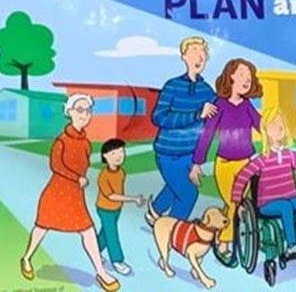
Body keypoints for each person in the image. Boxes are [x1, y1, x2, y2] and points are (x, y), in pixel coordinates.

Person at [20, 94, 121, 292]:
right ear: (70, 113)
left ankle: (101, 272)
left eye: (88, 110)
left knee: (88, 230)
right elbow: (56, 165)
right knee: (42, 227)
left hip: (75, 195)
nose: (85, 114)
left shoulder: (86, 142)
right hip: (57, 192)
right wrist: (77, 178)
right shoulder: (62, 141)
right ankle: (26, 258)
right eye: (80, 110)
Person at [230, 107, 296, 255]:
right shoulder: (262, 160)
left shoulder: (290, 156)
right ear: (266, 131)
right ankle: (292, 244)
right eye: (274, 125)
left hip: (291, 198)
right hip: (267, 204)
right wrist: (238, 202)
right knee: (285, 207)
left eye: (281, 124)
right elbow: (242, 177)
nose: (279, 128)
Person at [191, 58, 263, 254]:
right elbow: (206, 135)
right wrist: (197, 163)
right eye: (242, 75)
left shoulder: (247, 105)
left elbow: (262, 126)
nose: (247, 80)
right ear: (231, 76)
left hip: (246, 164)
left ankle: (222, 236)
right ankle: (224, 240)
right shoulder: (219, 105)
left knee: (235, 203)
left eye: (249, 76)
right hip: (224, 165)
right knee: (234, 203)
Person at [148, 36, 218, 223]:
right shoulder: (172, 86)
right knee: (188, 194)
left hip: (190, 153)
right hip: (168, 152)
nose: (199, 57)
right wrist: (196, 114)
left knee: (174, 187)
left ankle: (154, 212)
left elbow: (217, 117)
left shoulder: (207, 91)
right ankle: (171, 232)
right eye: (194, 52)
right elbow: (159, 117)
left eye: (203, 53)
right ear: (184, 56)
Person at [95, 138, 148, 276]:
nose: (119, 156)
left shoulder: (121, 172)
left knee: (105, 234)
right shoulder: (103, 176)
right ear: (105, 156)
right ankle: (117, 261)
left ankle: (94, 250)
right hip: (105, 209)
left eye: (121, 152)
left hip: (116, 209)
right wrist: (133, 198)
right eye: (114, 153)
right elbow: (111, 195)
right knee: (112, 234)